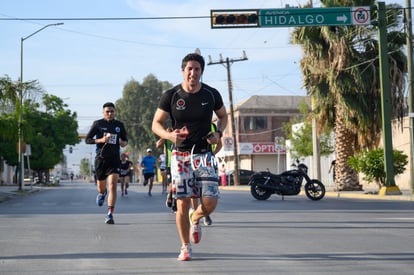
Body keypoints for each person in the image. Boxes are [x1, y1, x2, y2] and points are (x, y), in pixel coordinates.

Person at [152, 53, 228, 261]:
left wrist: (218, 133)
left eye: (197, 69)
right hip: (181, 156)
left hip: (204, 155)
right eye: (189, 69)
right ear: (183, 71)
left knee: (210, 202)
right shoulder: (171, 96)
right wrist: (168, 135)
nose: (193, 73)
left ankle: (196, 218)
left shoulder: (211, 94)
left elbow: (223, 116)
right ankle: (185, 246)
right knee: (182, 202)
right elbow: (156, 123)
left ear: (201, 72)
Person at [85, 102, 128, 224]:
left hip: (114, 159)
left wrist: (123, 143)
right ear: (103, 113)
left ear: (115, 112)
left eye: (112, 111)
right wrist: (101, 140)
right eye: (107, 111)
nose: (110, 113)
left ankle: (110, 214)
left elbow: (125, 140)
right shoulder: (98, 124)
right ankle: (102, 193)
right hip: (101, 159)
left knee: (113, 185)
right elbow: (88, 140)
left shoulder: (119, 125)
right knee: (101, 187)